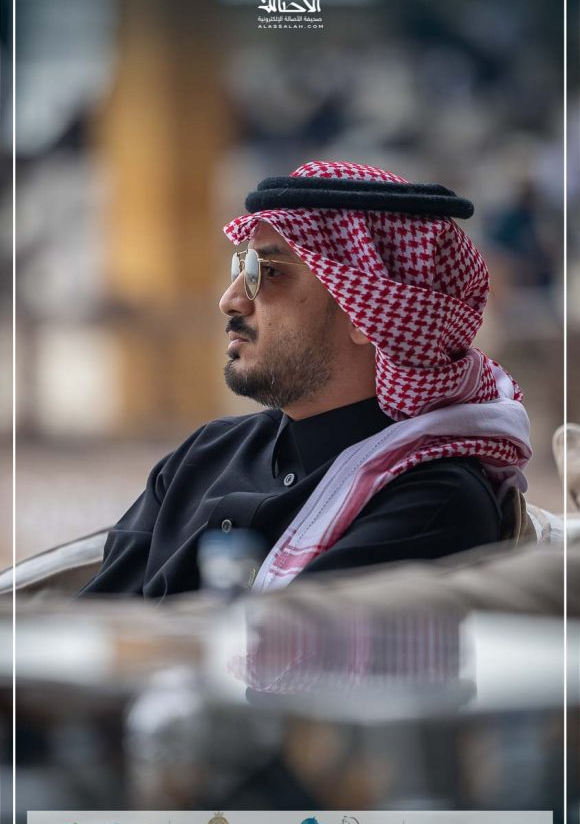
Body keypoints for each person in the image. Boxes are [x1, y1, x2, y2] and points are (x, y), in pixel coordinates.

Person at [79, 160, 532, 598]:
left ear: (364, 312)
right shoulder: (205, 454)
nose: (231, 301)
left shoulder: (431, 498)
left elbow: (284, 643)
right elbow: (94, 624)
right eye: (242, 268)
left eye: (269, 273)